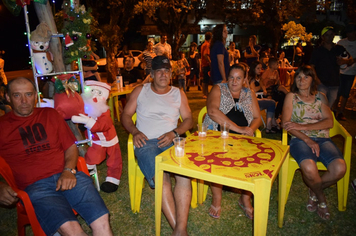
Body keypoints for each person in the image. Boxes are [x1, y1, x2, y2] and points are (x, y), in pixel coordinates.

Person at [0, 77, 113, 235]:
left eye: (29, 94)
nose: (24, 100)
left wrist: (68, 170)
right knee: (72, 231)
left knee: (102, 222)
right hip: (36, 187)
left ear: (35, 95)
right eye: (17, 95)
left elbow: (70, 147)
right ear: (7, 97)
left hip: (68, 176)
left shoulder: (50, 115)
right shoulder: (3, 126)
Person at [121, 55, 193, 235]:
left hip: (171, 139)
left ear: (171, 73)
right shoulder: (141, 91)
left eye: (166, 71)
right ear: (152, 73)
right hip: (146, 142)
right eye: (159, 71)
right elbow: (125, 116)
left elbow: (189, 119)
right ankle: (180, 230)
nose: (163, 74)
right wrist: (135, 132)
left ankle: (179, 229)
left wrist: (174, 133)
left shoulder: (178, 93)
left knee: (184, 175)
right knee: (162, 178)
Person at [282, 65, 346, 220]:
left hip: (323, 139)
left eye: (306, 77)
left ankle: (313, 189)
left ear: (312, 79)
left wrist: (304, 126)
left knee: (339, 168)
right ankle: (321, 199)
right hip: (300, 139)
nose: (301, 80)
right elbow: (286, 124)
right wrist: (307, 138)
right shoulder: (291, 97)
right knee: (310, 169)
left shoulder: (321, 97)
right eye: (298, 77)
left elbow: (329, 122)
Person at [203, 63, 262, 220]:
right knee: (216, 159)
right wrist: (239, 128)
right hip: (218, 134)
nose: (234, 81)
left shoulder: (249, 93)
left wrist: (250, 130)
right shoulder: (218, 89)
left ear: (244, 80)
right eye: (231, 78)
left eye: (238, 78)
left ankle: (245, 198)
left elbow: (257, 118)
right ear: (227, 78)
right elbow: (212, 111)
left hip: (243, 137)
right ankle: (217, 198)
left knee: (253, 160)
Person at [310, 26, 353, 108]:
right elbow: (312, 66)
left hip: (335, 83)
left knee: (329, 107)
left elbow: (350, 60)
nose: (330, 37)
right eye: (327, 35)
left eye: (332, 34)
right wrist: (317, 80)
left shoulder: (339, 49)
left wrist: (344, 61)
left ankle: (328, 120)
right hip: (321, 83)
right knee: (320, 106)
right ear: (322, 37)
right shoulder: (318, 50)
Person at [249, 61, 279, 133]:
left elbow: (263, 85)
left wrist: (263, 88)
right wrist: (261, 87)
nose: (260, 70)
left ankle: (270, 125)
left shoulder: (258, 78)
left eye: (260, 68)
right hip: (253, 101)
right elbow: (254, 89)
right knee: (272, 102)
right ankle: (271, 125)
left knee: (271, 103)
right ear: (253, 69)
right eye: (258, 68)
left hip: (258, 98)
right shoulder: (251, 79)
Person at [334, 23, 356, 120]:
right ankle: (334, 110)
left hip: (351, 72)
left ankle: (341, 112)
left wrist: (349, 61)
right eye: (350, 32)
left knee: (346, 93)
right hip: (339, 72)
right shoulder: (341, 43)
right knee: (337, 92)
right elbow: (335, 55)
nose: (352, 34)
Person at [201, 32, 213, 98]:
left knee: (205, 79)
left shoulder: (203, 44)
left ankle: (205, 93)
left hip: (204, 64)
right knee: (206, 80)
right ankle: (204, 93)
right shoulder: (207, 45)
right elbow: (205, 54)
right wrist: (210, 62)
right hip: (206, 64)